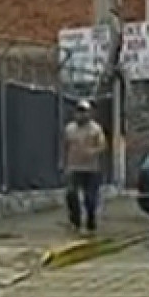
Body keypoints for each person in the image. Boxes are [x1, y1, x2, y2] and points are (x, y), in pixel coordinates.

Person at [62, 99, 107, 233]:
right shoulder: (70, 129)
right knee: (71, 194)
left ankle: (91, 219)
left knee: (90, 197)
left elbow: (103, 145)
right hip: (74, 167)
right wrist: (63, 162)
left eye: (84, 112)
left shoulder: (95, 129)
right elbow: (65, 146)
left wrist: (93, 151)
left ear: (89, 113)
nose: (81, 115)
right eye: (79, 112)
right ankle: (75, 220)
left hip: (91, 169)